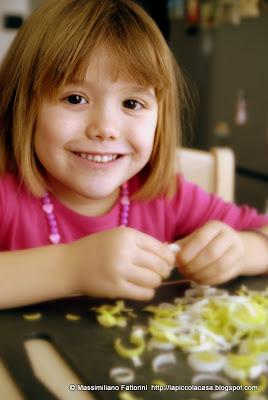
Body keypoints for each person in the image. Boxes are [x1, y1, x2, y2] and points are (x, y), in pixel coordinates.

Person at [0, 0, 267, 310]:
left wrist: (239, 252)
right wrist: (70, 267)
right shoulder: (8, 195)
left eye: (131, 104)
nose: (106, 129)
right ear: (23, 106)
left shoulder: (166, 196)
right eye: (75, 98)